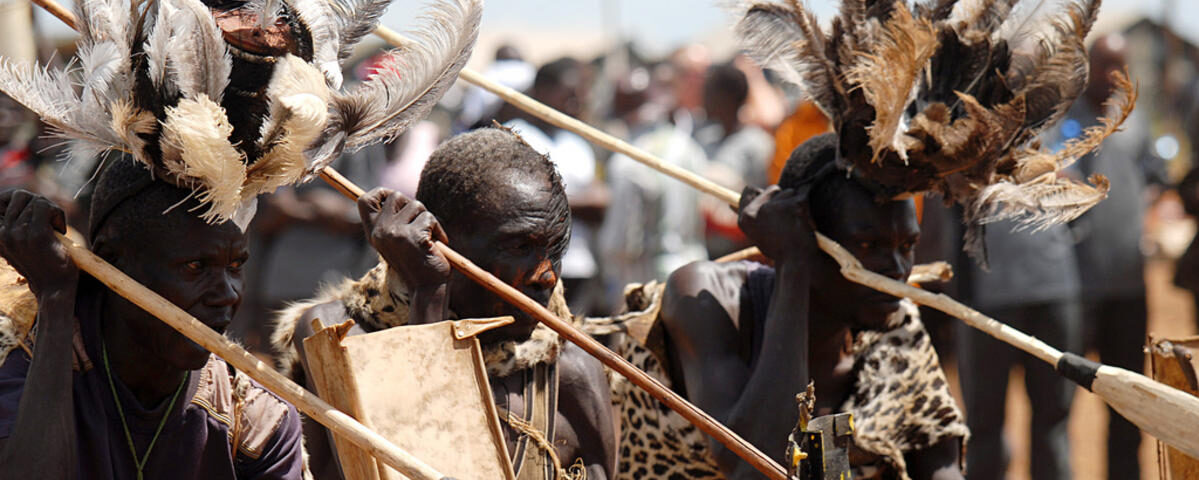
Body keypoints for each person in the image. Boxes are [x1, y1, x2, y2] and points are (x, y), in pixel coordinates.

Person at [588, 134, 967, 480]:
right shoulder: (708, 299)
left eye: (906, 246)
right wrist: (793, 267)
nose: (898, 271)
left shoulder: (893, 324)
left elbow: (942, 465)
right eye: (868, 246)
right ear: (803, 239)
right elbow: (753, 466)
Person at [270, 127, 617, 479]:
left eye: (555, 250)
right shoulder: (340, 337)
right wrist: (429, 292)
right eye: (519, 248)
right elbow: (414, 462)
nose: (546, 276)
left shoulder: (568, 372)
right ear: (439, 241)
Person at [0, 159, 304, 479]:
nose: (227, 294)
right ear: (112, 261)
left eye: (235, 266)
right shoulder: (18, 364)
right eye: (195, 267)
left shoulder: (256, 420)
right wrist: (56, 298)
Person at [1061, 33, 1162, 480]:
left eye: (1119, 68)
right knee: (1059, 405)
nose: (1111, 77)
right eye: (1103, 65)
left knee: (1129, 403)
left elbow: (1157, 176)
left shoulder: (1135, 119)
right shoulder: (1064, 122)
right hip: (1074, 289)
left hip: (1128, 287)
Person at [503, 57, 606, 314]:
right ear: (541, 91)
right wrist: (571, 204)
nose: (577, 100)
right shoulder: (516, 135)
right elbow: (517, 202)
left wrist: (555, 201)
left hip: (579, 266)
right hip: (531, 268)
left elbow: (601, 203)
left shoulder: (579, 143)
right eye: (569, 92)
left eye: (581, 93)